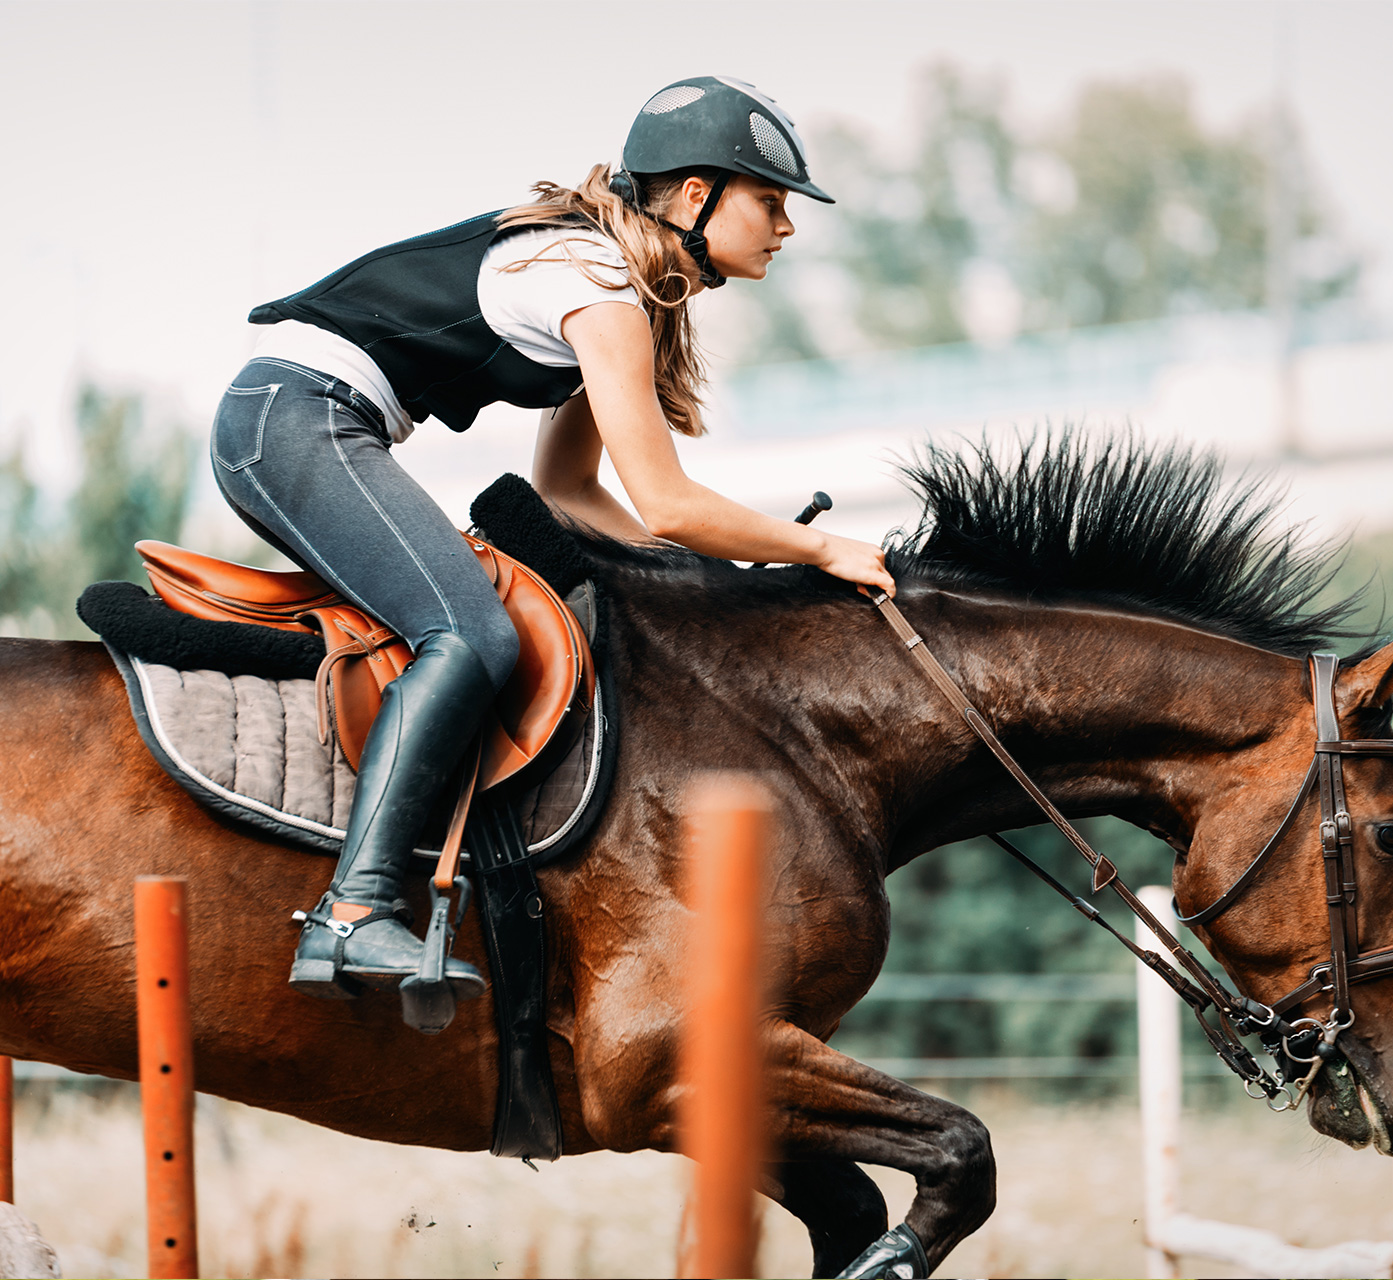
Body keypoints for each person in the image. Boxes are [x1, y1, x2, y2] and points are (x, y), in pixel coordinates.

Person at [210, 75, 894, 1024]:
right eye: (770, 200)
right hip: (296, 422)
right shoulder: (604, 288)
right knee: (474, 638)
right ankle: (354, 907)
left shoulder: (624, 285)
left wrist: (714, 576)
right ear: (696, 197)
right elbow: (666, 503)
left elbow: (569, 491)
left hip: (303, 419)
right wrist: (819, 553)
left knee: (472, 627)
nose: (786, 226)